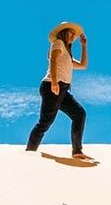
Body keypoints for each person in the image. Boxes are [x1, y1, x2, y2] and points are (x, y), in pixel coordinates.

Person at [25, 21, 94, 160]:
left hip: (63, 90)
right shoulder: (57, 43)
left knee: (79, 114)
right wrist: (55, 83)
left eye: (74, 34)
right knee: (46, 121)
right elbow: (53, 60)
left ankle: (77, 151)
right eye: (71, 32)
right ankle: (29, 152)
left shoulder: (68, 55)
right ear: (63, 33)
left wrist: (84, 46)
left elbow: (83, 65)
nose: (73, 36)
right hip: (52, 85)